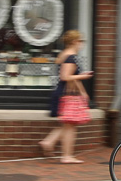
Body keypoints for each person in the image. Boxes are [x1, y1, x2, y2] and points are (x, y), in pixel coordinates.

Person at [40, 30, 94, 164]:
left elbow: (73, 78)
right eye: (81, 41)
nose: (82, 44)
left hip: (65, 93)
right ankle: (66, 156)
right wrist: (83, 76)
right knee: (70, 125)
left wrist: (83, 91)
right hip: (67, 95)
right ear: (75, 42)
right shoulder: (71, 57)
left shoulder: (65, 54)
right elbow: (65, 77)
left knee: (68, 123)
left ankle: (49, 142)